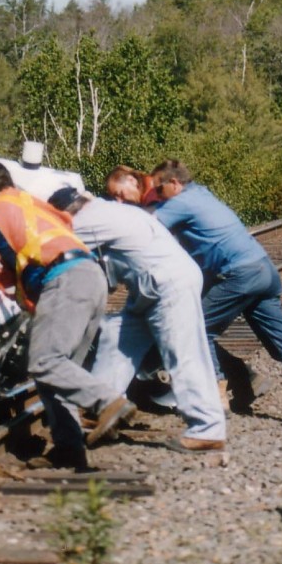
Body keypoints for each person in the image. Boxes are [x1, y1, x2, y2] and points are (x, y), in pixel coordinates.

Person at [0, 158, 134, 471]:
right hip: (90, 277)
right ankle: (69, 448)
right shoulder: (31, 205)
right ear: (7, 182)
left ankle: (108, 402)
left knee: (45, 362)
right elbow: (26, 259)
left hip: (65, 281)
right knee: (57, 373)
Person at [149, 159, 282, 428]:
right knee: (281, 341)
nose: (157, 196)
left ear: (174, 184)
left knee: (195, 328)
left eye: (159, 189)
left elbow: (147, 228)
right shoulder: (203, 194)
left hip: (240, 275)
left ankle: (214, 396)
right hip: (264, 270)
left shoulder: (180, 203)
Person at [47, 186, 226, 453]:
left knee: (183, 354)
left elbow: (52, 249)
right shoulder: (111, 209)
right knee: (115, 335)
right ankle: (104, 407)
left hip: (165, 284)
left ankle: (208, 429)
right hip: (151, 285)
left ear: (68, 211)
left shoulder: (86, 219)